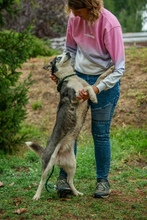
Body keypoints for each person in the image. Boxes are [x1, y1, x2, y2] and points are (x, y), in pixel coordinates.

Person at [51, 0, 125, 198]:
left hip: (105, 82)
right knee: (69, 131)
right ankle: (64, 179)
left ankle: (102, 181)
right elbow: (70, 51)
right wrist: (60, 71)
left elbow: (119, 68)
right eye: (72, 11)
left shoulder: (110, 24)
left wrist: (96, 88)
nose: (75, 15)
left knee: (100, 133)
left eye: (79, 10)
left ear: (91, 7)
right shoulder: (74, 18)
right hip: (78, 79)